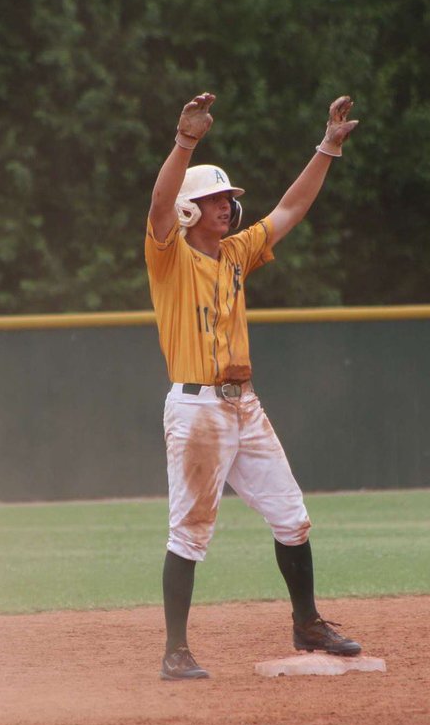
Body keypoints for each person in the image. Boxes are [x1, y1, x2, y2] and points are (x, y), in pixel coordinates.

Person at [144, 92, 362, 681]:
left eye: (229, 199)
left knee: (292, 518)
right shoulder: (168, 257)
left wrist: (326, 149)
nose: (226, 206)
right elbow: (161, 201)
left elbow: (290, 210)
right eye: (214, 199)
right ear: (191, 211)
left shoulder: (238, 253)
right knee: (190, 533)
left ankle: (308, 622)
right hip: (196, 410)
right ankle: (175, 650)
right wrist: (185, 142)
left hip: (246, 407)